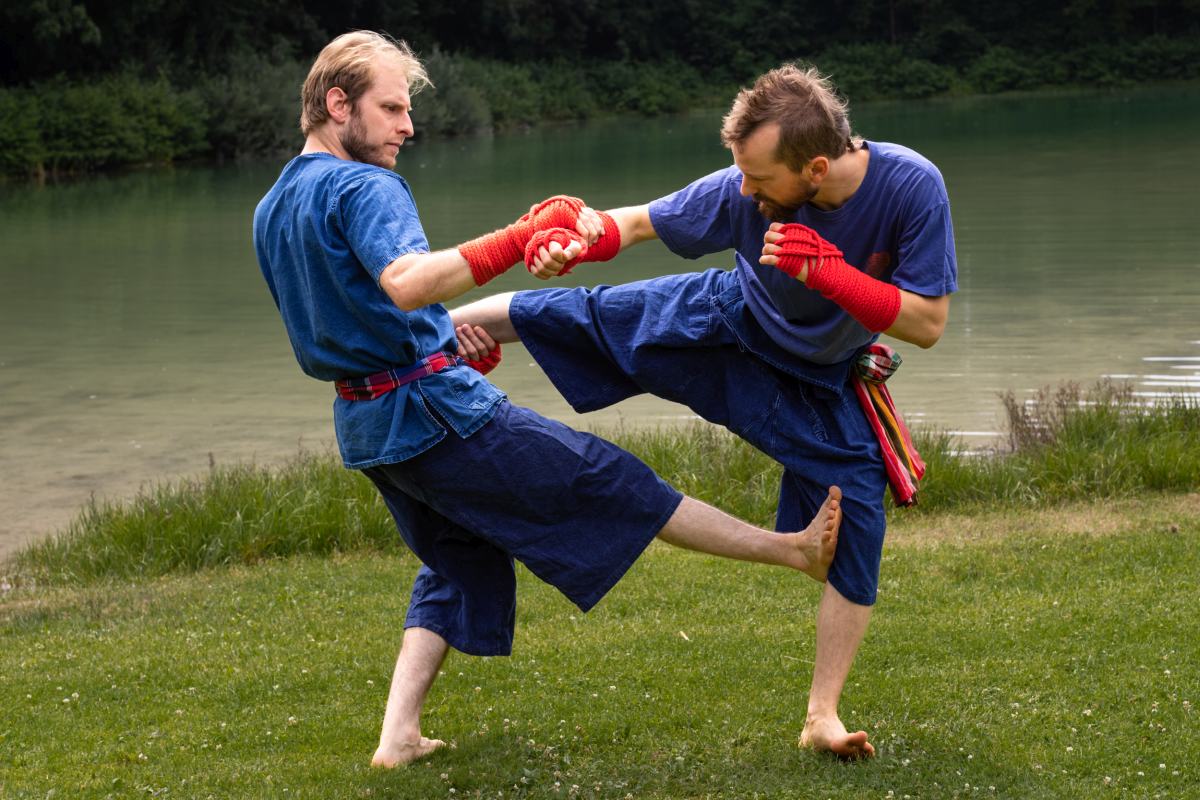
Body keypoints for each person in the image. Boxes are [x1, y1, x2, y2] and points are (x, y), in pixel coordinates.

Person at [253, 31, 845, 769]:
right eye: (393, 108)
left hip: (371, 425)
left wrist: (441, 339)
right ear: (338, 104)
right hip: (435, 412)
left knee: (455, 553)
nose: (408, 126)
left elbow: (352, 316)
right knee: (610, 480)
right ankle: (792, 551)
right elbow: (404, 283)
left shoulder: (274, 205)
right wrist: (520, 236)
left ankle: (397, 735)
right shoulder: (365, 186)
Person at [451, 64, 957, 759]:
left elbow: (928, 323)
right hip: (727, 323)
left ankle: (822, 717)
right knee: (588, 316)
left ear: (814, 168)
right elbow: (629, 225)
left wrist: (833, 275)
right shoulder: (743, 187)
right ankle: (431, 337)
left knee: (859, 511)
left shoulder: (912, 187)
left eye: (758, 179)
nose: (745, 191)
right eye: (740, 175)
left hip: (820, 378)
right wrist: (576, 240)